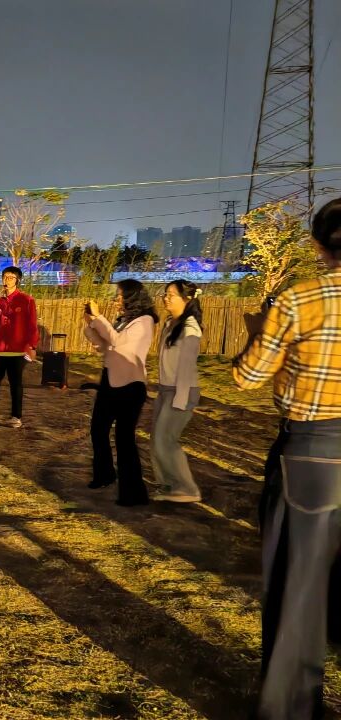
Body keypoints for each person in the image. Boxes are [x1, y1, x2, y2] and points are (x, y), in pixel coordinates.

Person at [233, 197, 341, 720]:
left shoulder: (301, 299)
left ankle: (292, 707)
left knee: (300, 584)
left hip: (315, 452)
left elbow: (247, 377)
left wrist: (263, 338)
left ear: (317, 244)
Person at [84, 279, 157, 506]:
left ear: (132, 298)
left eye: (120, 295)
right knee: (98, 430)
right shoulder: (122, 321)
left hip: (130, 386)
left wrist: (99, 317)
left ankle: (133, 494)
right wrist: (90, 324)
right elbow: (105, 347)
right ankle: (104, 474)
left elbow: (117, 342)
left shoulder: (144, 321)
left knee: (124, 439)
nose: (116, 299)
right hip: (110, 380)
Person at [152, 280, 203, 503]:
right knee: (156, 440)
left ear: (187, 299)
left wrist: (180, 400)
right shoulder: (170, 323)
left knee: (166, 440)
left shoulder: (190, 329)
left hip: (181, 391)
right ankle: (169, 485)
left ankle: (187, 489)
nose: (166, 298)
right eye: (165, 294)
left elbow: (186, 368)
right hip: (165, 389)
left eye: (171, 295)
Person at [0, 265, 39, 430]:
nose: (7, 280)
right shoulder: (0, 301)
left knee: (16, 384)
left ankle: (16, 417)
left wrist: (32, 346)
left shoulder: (26, 300)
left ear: (17, 280)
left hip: (18, 350)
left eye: (11, 277)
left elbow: (32, 325)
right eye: (5, 277)